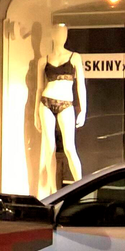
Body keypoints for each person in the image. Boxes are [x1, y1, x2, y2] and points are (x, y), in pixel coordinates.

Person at [34, 23, 87, 194]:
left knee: (69, 148)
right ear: (52, 35)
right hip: (46, 102)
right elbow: (38, 88)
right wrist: (35, 113)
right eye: (57, 32)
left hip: (66, 104)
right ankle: (52, 191)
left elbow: (81, 86)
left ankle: (81, 187)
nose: (61, 35)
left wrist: (83, 110)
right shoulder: (43, 60)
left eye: (64, 32)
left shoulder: (74, 57)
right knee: (48, 148)